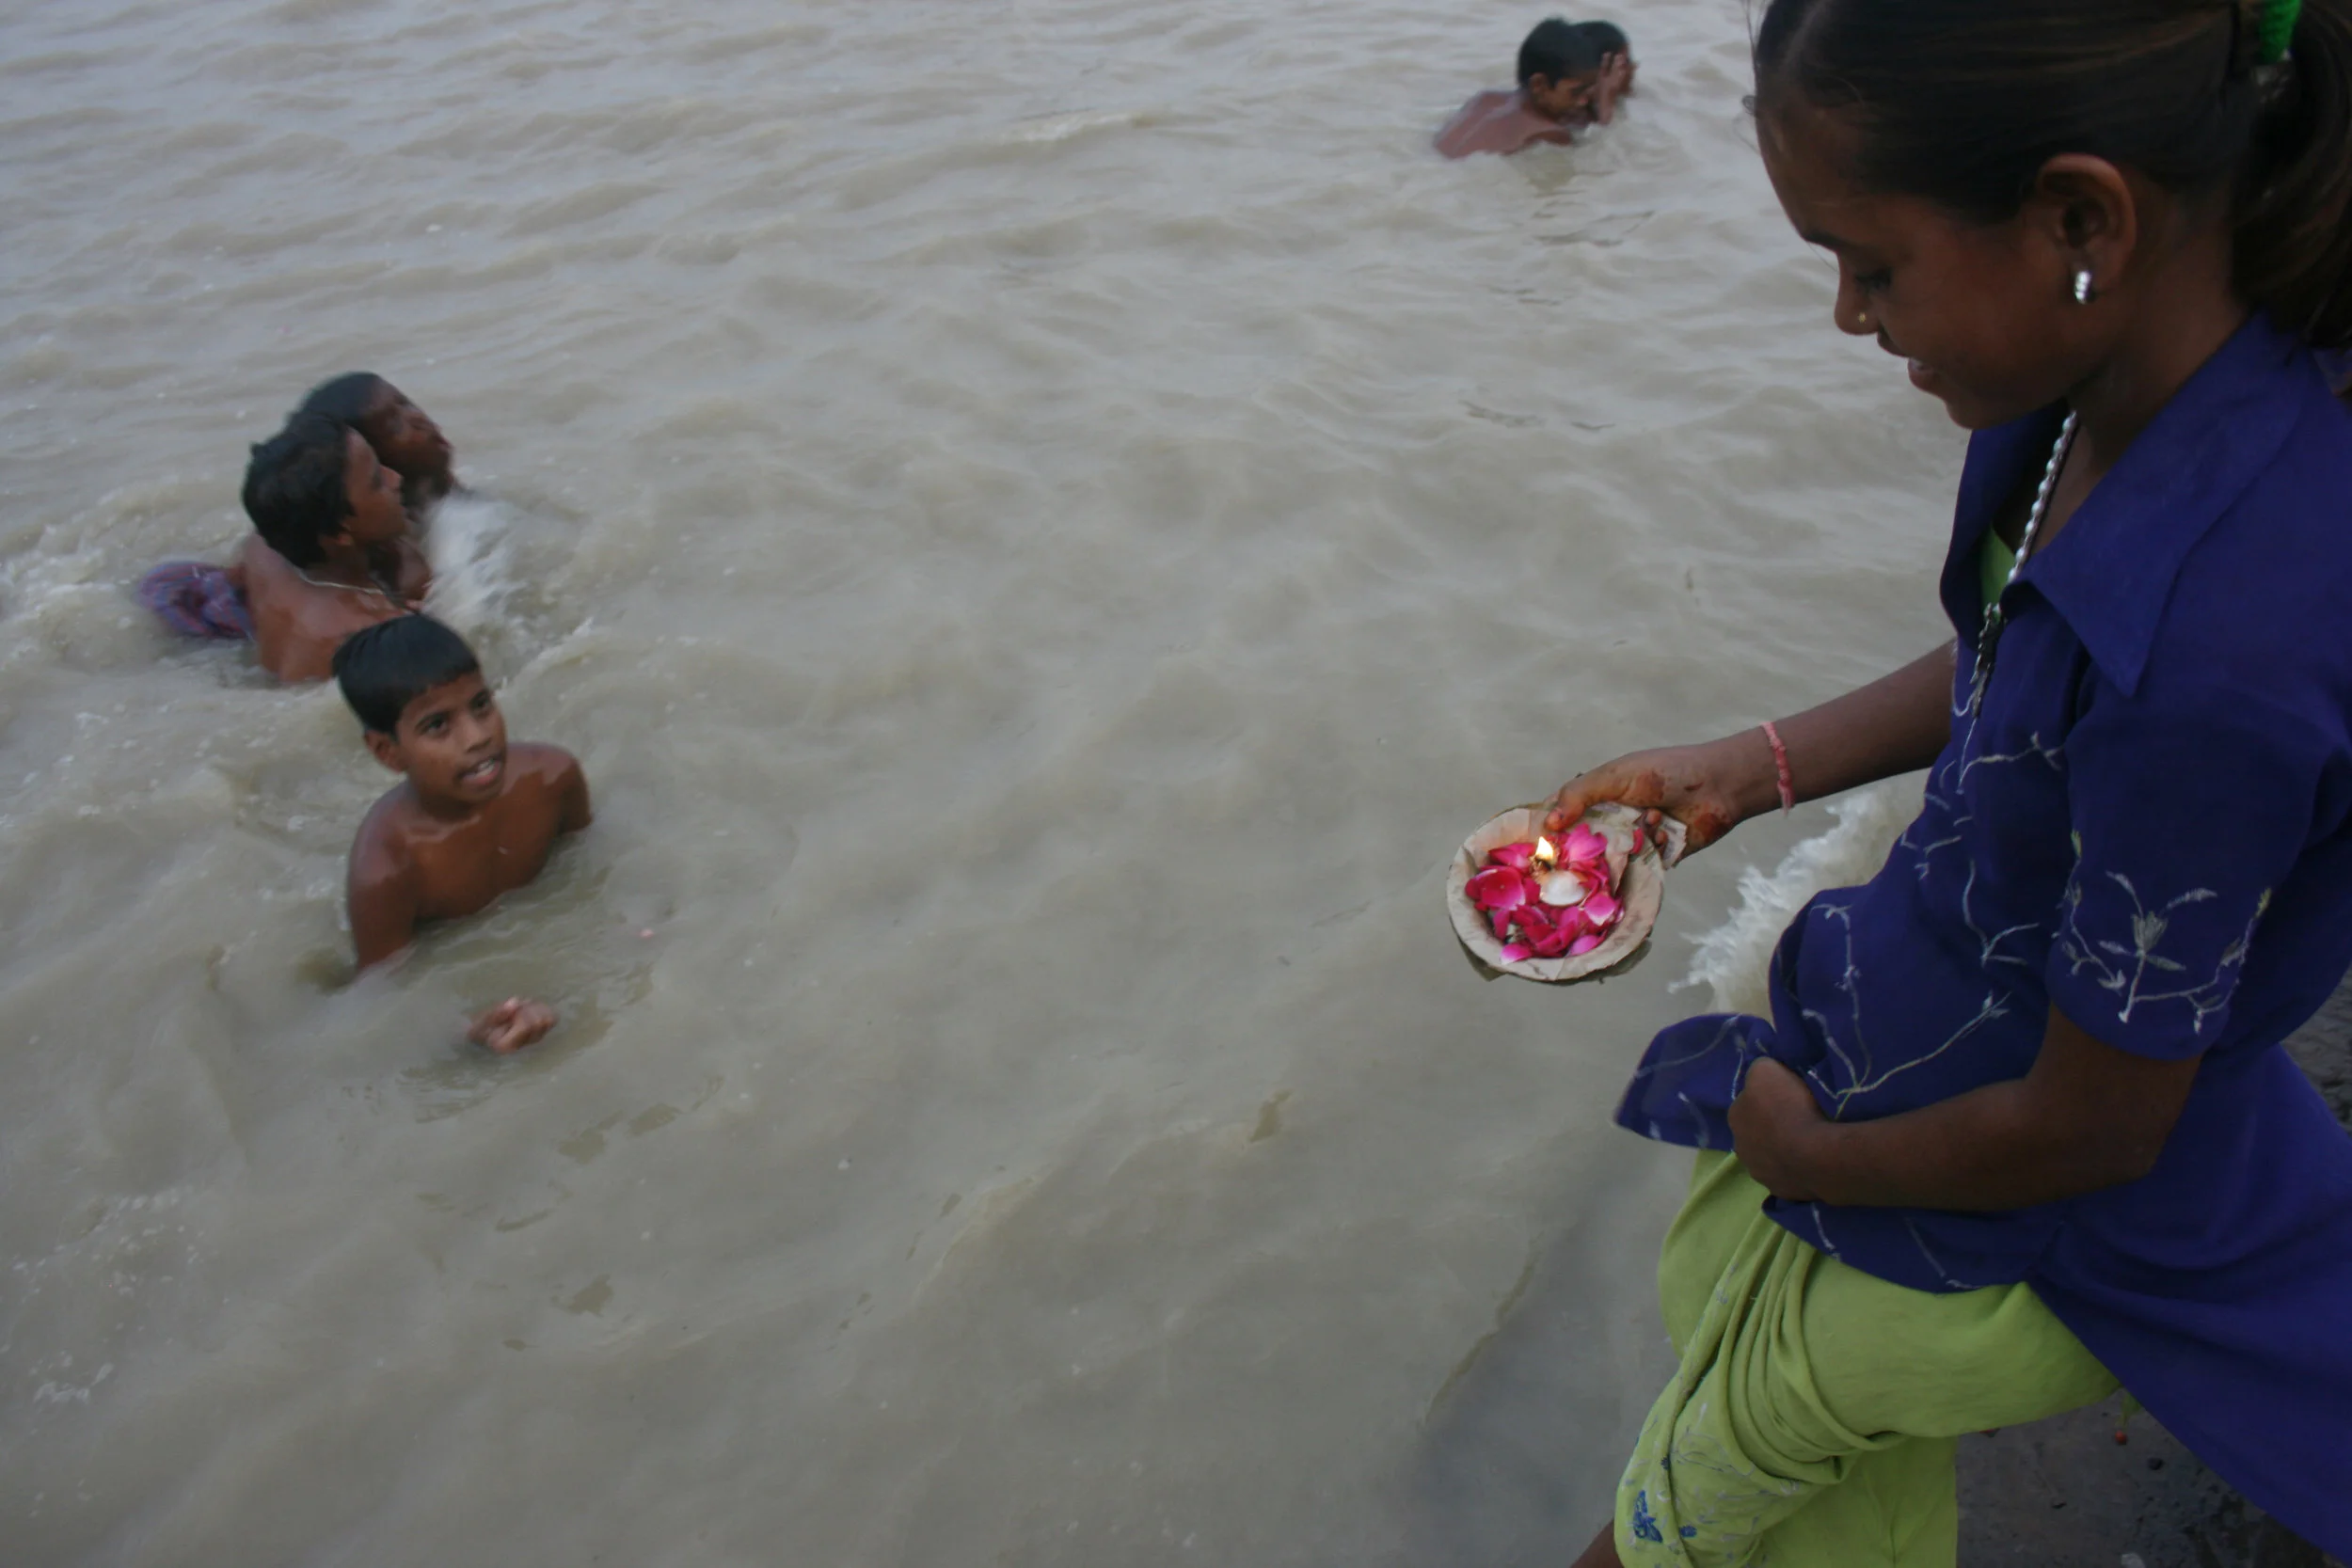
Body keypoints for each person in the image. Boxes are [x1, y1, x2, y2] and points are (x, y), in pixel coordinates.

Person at [1537, 0, 2352, 1562]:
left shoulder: (2221, 660)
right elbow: (2023, 666)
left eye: (1874, 265)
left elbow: (2093, 1127)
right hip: (1938, 1057)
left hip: (2026, 1224)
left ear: (2079, 220)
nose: (1849, 315)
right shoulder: (2105, 400)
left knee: (1667, 1514)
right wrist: (1756, 765)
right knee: (1824, 1509)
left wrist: (1808, 1158)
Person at [334, 614, 590, 1053]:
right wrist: (465, 1033)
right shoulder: (387, 868)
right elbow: (381, 1001)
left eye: (481, 705)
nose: (477, 737)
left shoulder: (554, 778)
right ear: (387, 751)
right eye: (437, 725)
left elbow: (594, 870)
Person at [237, 412, 431, 682]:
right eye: (377, 482)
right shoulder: (371, 633)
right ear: (340, 534)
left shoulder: (261, 551)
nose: (396, 478)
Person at [1435, 16, 1636, 159]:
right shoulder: (1549, 132)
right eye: (1576, 92)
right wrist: (1606, 109)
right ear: (1539, 86)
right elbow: (1598, 153)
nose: (1582, 101)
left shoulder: (1485, 97)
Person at [298, 372, 458, 519]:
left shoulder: (432, 480)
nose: (418, 418)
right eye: (396, 426)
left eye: (406, 403)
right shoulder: (407, 526)